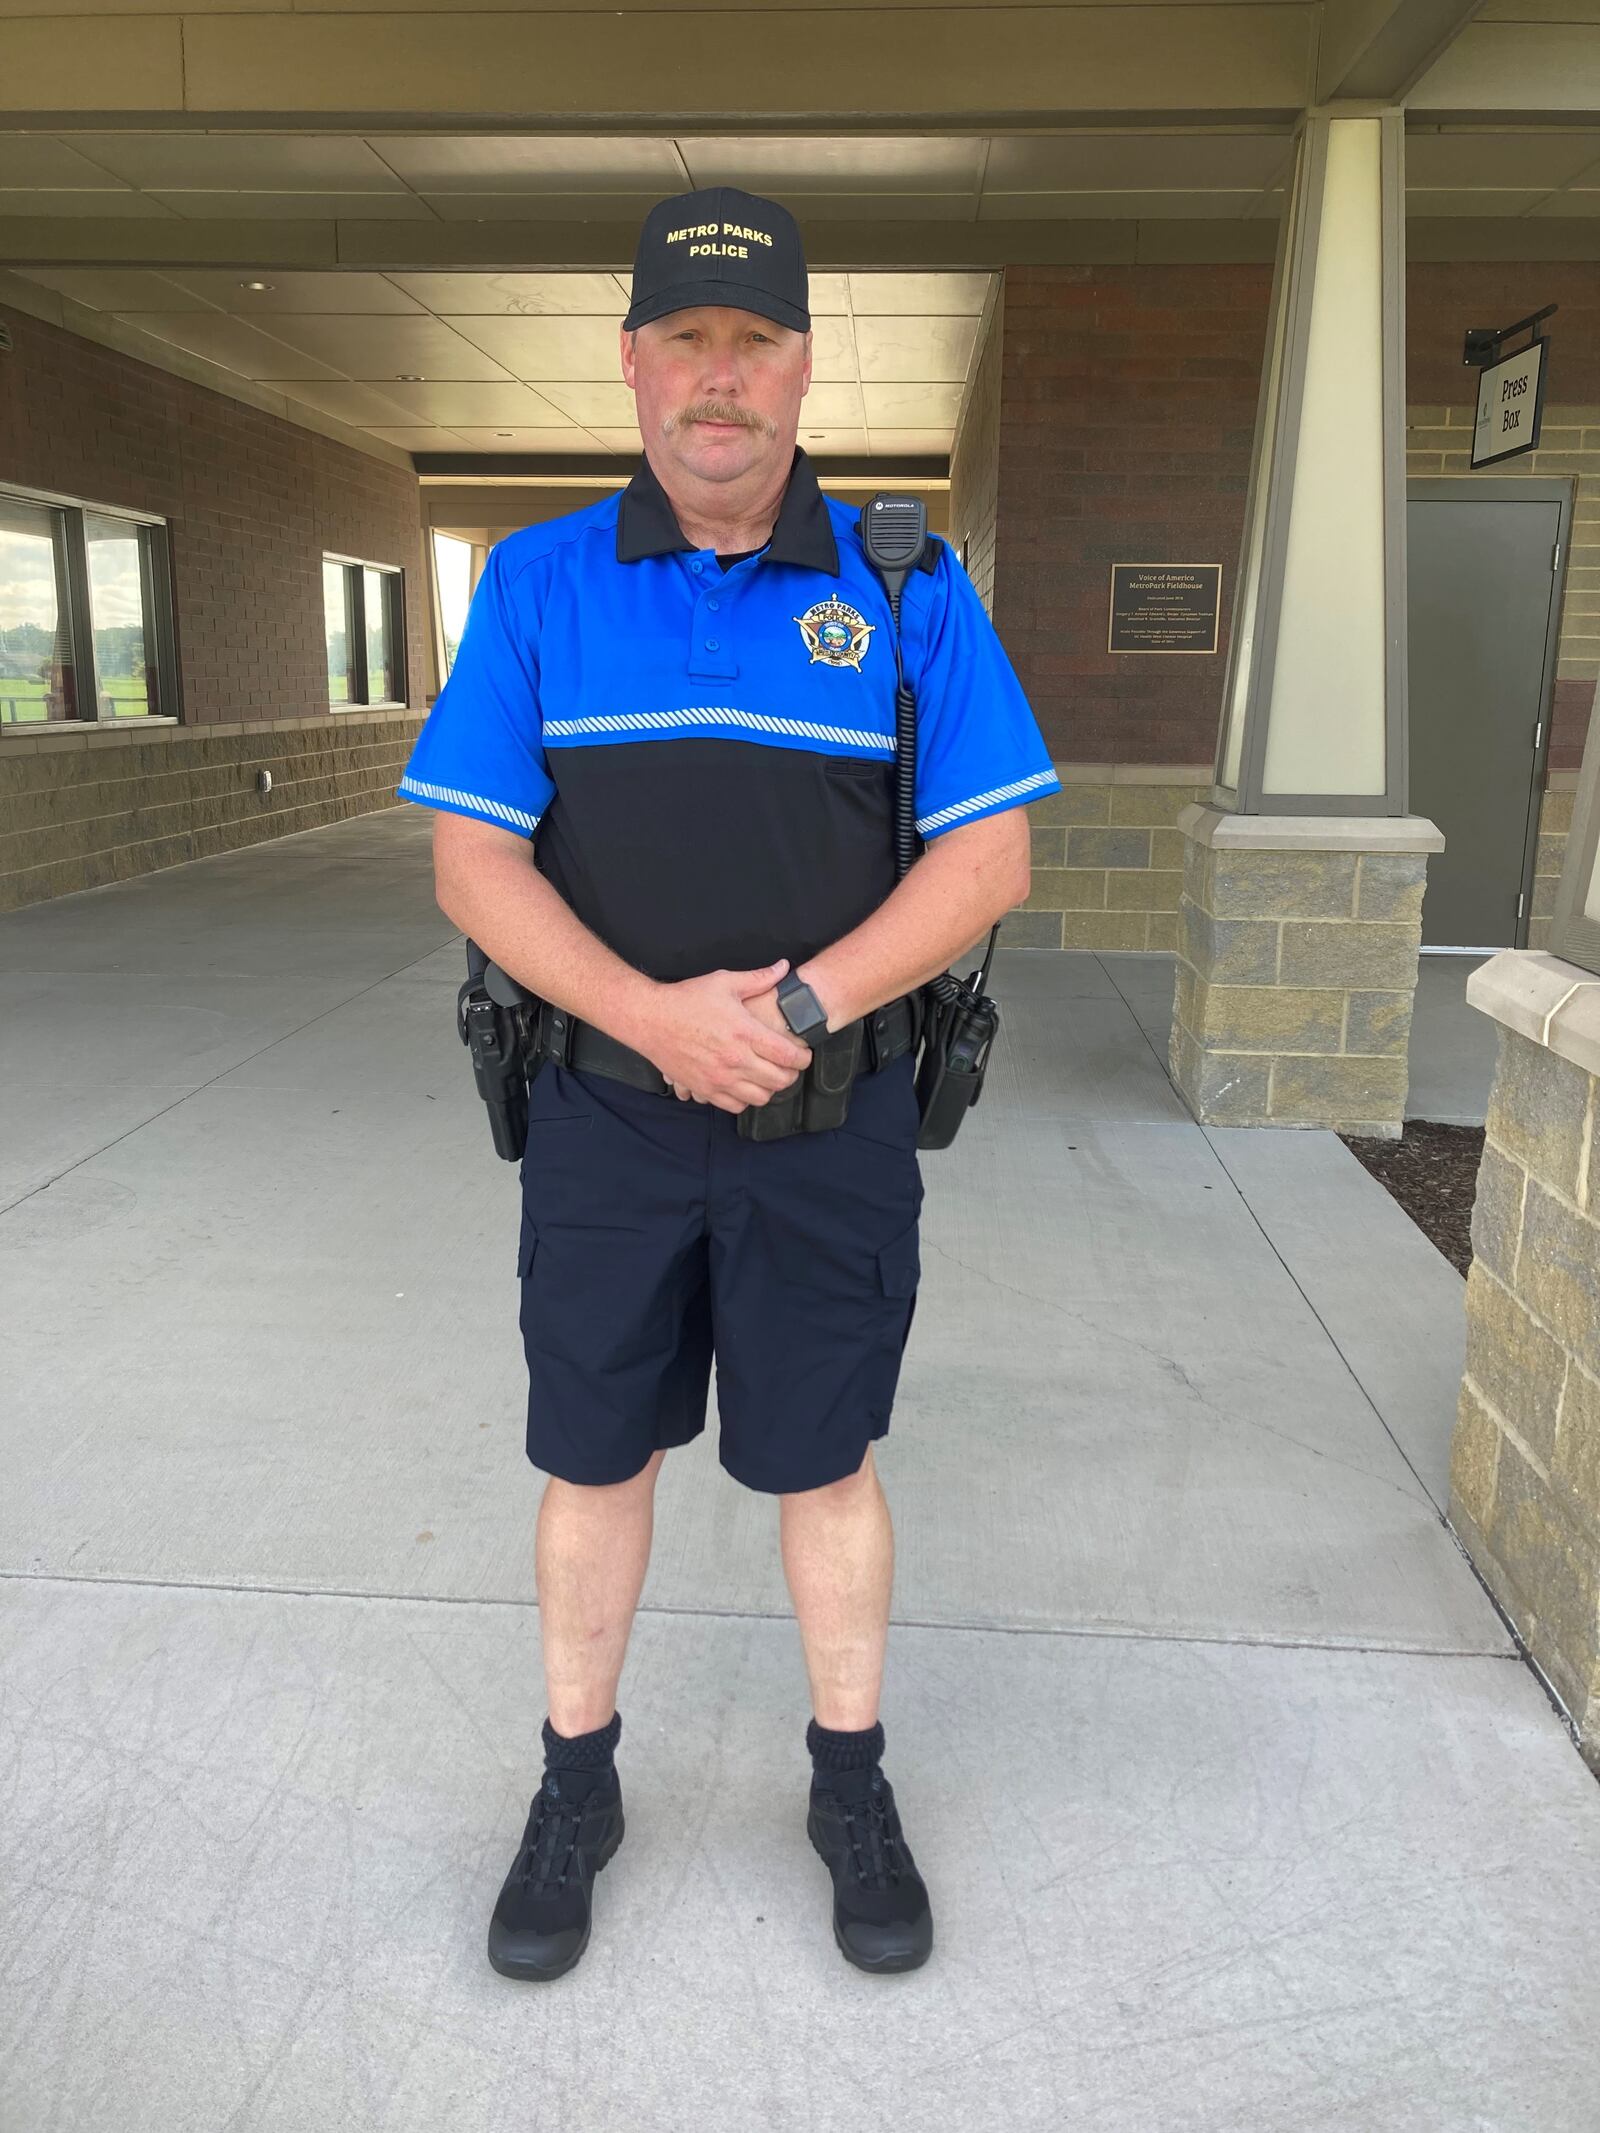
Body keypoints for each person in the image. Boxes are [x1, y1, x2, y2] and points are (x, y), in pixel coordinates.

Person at [398, 185, 1061, 1982]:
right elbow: (475, 861)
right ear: (631, 368)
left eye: (752, 342)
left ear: (802, 370)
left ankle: (848, 1784)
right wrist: (654, 1015)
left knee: (820, 1460)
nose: (718, 379)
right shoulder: (533, 581)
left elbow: (984, 857)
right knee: (594, 1455)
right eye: (683, 342)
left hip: (827, 1122)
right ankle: (576, 1783)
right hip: (605, 1123)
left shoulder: (908, 584)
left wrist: (790, 1002)